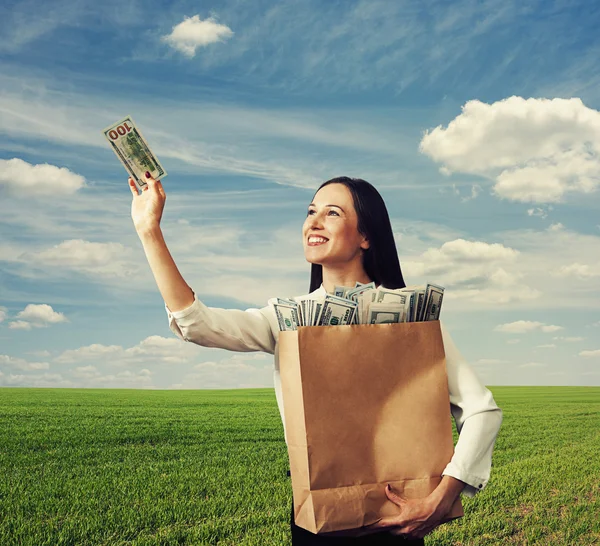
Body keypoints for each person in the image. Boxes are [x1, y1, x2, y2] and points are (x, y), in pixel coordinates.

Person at [129, 172, 503, 544]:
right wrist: (150, 233)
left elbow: (481, 411)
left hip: (398, 523)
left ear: (366, 236)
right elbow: (197, 324)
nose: (314, 221)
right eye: (311, 211)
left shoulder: (412, 319)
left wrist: (442, 498)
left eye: (333, 213)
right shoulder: (286, 320)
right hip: (318, 522)